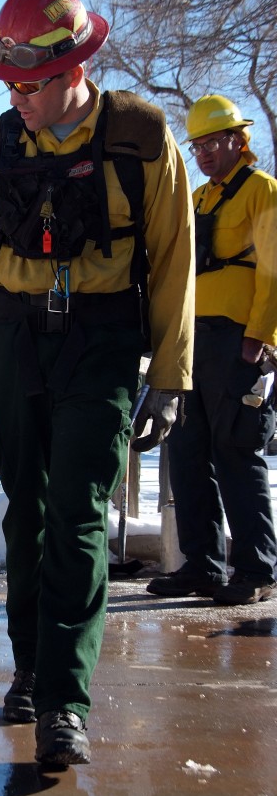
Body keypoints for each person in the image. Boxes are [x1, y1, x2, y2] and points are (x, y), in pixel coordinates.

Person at [0, 0, 195, 768]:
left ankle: (65, 701)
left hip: (101, 343)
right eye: (7, 85)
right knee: (24, 510)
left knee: (79, 516)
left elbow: (172, 264)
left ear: (78, 66)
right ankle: (29, 669)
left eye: (31, 84)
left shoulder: (142, 139)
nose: (17, 99)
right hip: (14, 342)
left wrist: (171, 374)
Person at [147, 95, 277, 605]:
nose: (202, 152)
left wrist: (262, 335)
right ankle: (200, 565)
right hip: (192, 339)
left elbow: (273, 268)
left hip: (239, 340)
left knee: (237, 452)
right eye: (195, 145)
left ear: (236, 141)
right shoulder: (198, 198)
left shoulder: (262, 191)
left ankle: (257, 569)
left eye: (211, 142)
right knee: (187, 451)